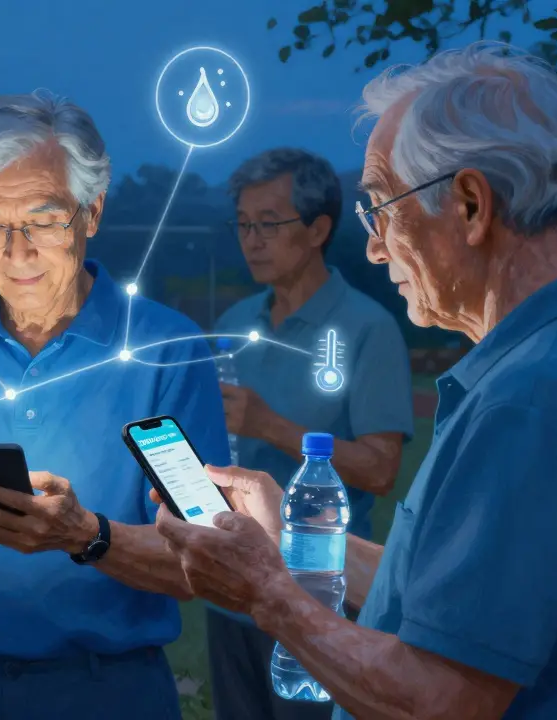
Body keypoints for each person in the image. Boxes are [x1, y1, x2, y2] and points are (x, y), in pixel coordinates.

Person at [155, 42, 557, 719]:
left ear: (469, 205)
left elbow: (439, 702)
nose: (374, 246)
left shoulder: (527, 402)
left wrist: (264, 593)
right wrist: (289, 537)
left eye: (381, 208)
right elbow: (450, 605)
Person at [0, 90, 230, 720]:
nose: (16, 250)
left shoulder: (166, 351)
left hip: (109, 694)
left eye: (44, 220)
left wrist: (85, 535)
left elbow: (206, 562)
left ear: (92, 212)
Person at [209, 147, 415, 720]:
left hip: (320, 598)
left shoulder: (367, 329)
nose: (252, 240)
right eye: (244, 224)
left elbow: (380, 468)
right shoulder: (233, 326)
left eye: (269, 223)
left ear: (319, 228)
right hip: (230, 593)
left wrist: (269, 425)